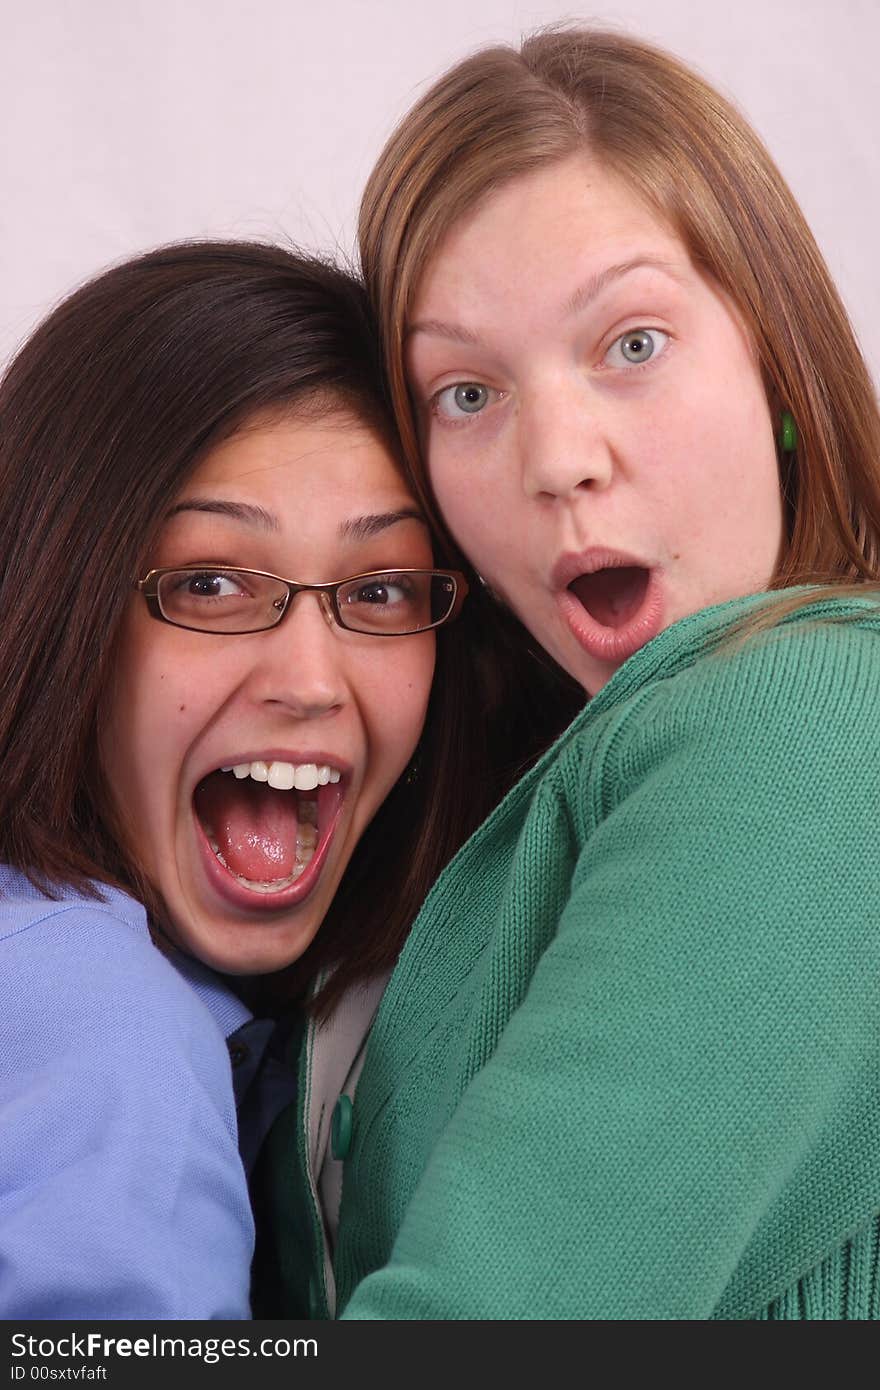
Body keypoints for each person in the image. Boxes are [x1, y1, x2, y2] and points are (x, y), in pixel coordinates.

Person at [268, 28, 880, 1320]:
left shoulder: (808, 721)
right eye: (469, 393)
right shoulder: (547, 776)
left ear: (777, 359)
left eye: (634, 344)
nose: (558, 457)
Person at [0, 240, 570, 1319]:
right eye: (210, 581)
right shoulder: (107, 1027)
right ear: (56, 599)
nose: (311, 679)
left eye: (384, 589)